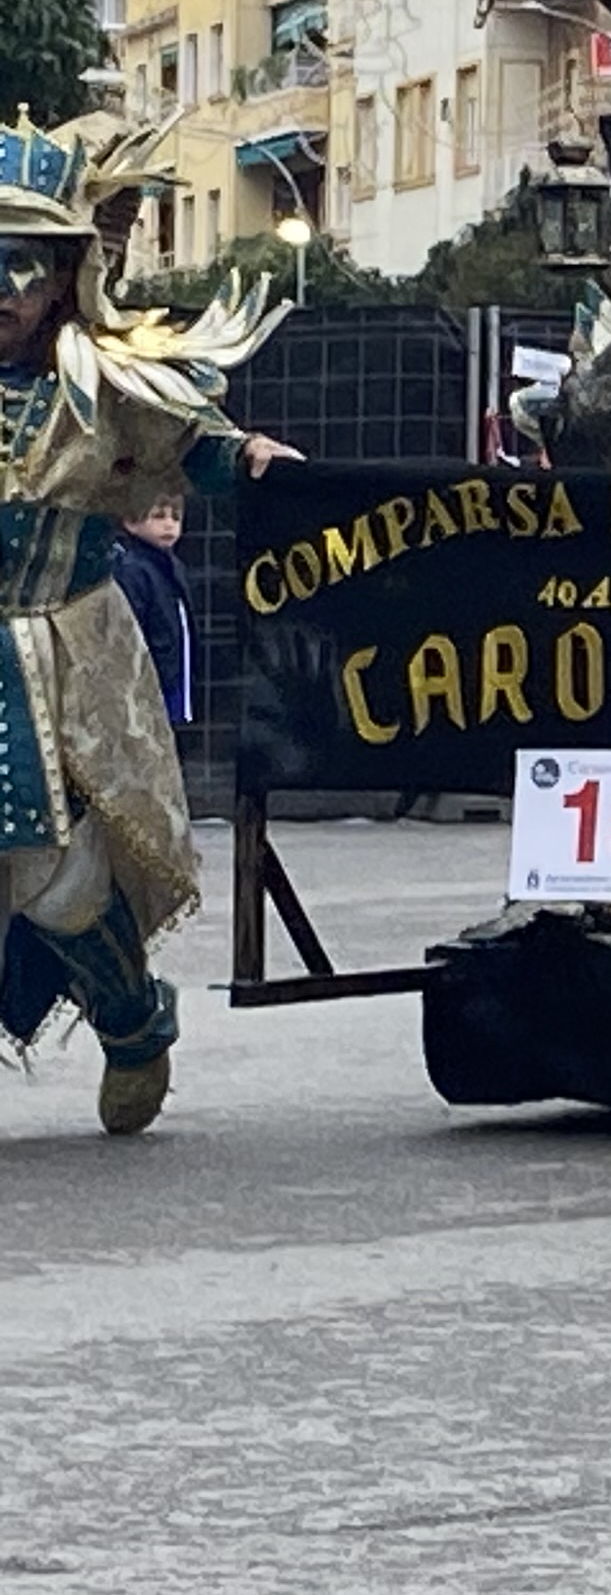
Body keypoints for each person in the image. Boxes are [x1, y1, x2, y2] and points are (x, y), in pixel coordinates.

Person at [0, 122, 296, 1134]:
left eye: (22, 266)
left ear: (61, 276)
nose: (1, 289)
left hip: (59, 661)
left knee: (60, 884)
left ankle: (132, 1022)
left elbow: (201, 446)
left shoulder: (108, 384)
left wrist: (252, 457)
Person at [114, 494, 192, 726]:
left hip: (174, 674)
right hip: (150, 677)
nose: (169, 524)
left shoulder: (173, 567)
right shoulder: (131, 569)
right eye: (158, 516)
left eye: (175, 518)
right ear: (131, 522)